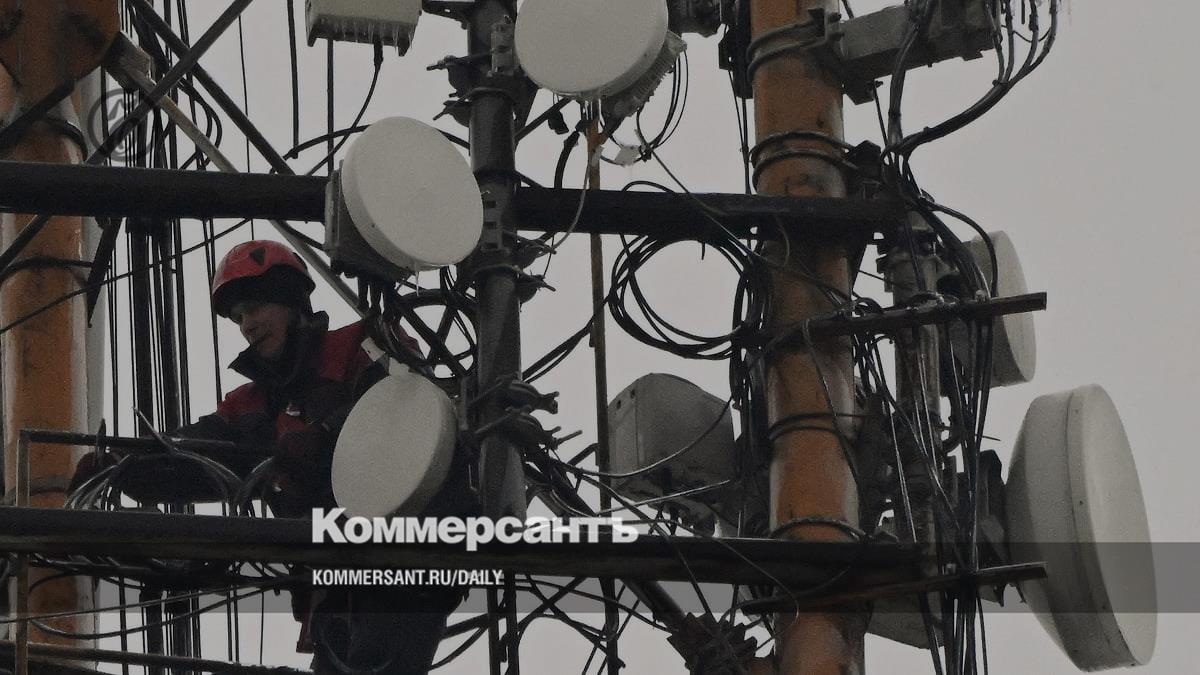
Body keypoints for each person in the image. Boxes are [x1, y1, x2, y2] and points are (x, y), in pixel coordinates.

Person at [70, 240, 467, 674]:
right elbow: (194, 455)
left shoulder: (361, 345)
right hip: (331, 586)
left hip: (407, 560)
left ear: (292, 302)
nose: (247, 325)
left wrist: (328, 433)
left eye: (256, 308)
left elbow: (412, 403)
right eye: (238, 317)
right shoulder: (252, 406)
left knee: (378, 661)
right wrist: (123, 467)